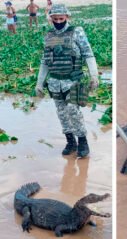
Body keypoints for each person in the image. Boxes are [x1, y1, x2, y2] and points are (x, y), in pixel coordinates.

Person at [35, 4, 99, 158]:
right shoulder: (49, 36)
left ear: (67, 17)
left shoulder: (77, 32)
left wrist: (94, 75)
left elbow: (88, 54)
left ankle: (82, 141)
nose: (58, 21)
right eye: (55, 19)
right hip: (55, 82)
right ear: (51, 19)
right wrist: (39, 83)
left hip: (74, 80)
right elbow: (44, 62)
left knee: (73, 110)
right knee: (62, 112)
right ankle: (70, 142)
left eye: (61, 18)